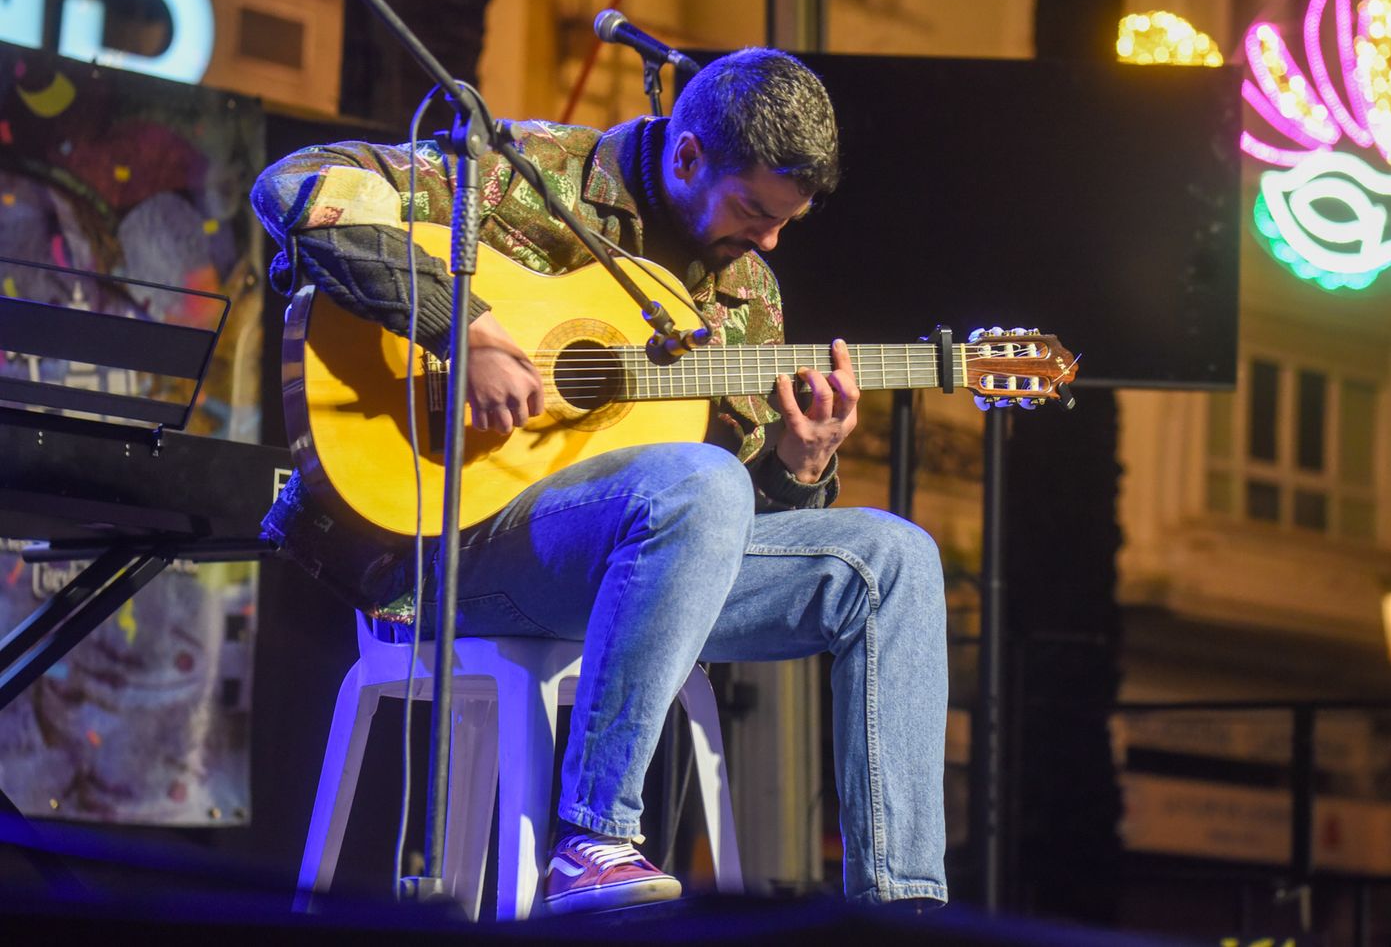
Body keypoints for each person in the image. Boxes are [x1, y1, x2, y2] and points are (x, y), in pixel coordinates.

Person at [253, 48, 947, 913]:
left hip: (627, 573)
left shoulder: (748, 298)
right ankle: (594, 839)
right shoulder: (531, 176)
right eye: (754, 212)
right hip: (449, 543)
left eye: (786, 224)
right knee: (699, 483)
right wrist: (455, 327)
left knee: (896, 558)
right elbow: (294, 184)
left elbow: (719, 527)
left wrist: (803, 469)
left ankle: (902, 907)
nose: (767, 242)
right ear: (688, 155)